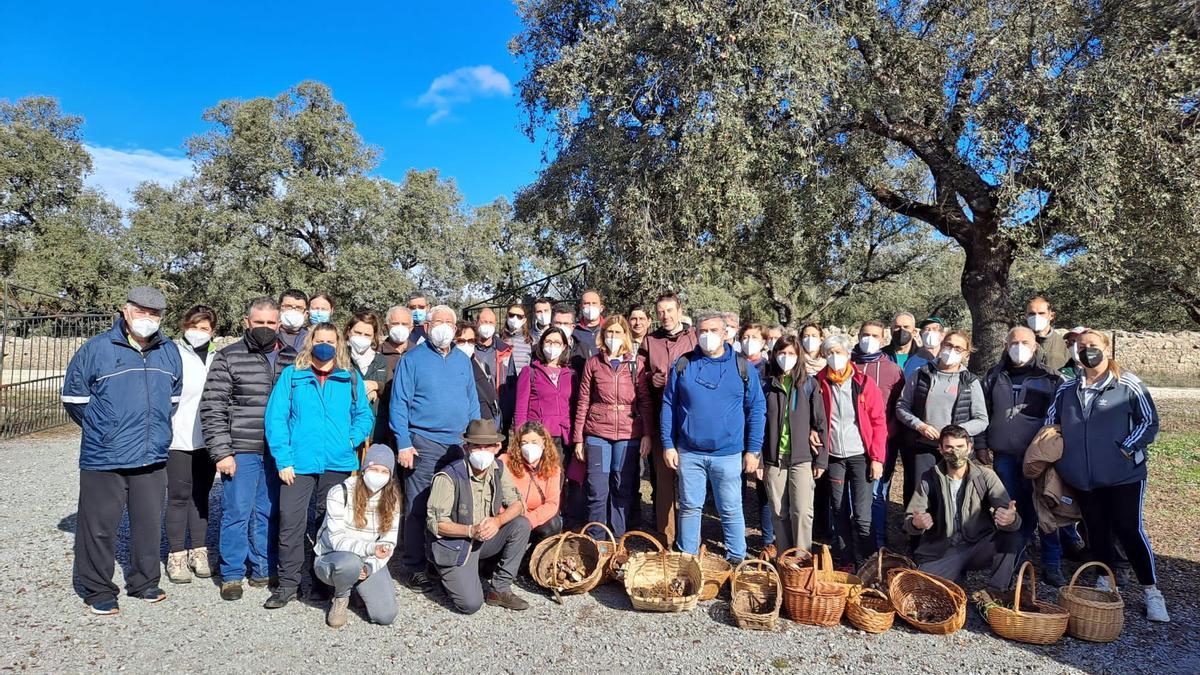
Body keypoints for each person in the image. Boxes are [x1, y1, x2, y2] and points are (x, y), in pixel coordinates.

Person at [62, 286, 183, 615]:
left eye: (154, 313)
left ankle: (144, 582)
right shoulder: (98, 349)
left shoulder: (169, 351)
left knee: (147, 524)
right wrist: (106, 430)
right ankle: (97, 588)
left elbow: (172, 398)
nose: (148, 318)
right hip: (105, 457)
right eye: (141, 311)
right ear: (125, 311)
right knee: (99, 527)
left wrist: (152, 429)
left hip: (153, 455)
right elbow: (74, 399)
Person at [1046, 329, 1169, 622]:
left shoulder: (1127, 384)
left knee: (1129, 530)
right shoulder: (1067, 389)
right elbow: (1051, 422)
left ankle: (1151, 591)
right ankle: (1104, 578)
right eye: (1080, 346)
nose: (1086, 350)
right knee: (1096, 530)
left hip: (1123, 475)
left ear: (1106, 348)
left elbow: (1149, 421)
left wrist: (1126, 448)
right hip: (1083, 478)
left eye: (1092, 345)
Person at [263, 322, 374, 609]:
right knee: (291, 522)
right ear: (310, 342)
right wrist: (283, 459)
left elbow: (364, 415)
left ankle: (320, 582)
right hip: (298, 464)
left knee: (328, 523)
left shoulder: (349, 377)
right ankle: (288, 583)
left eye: (330, 340)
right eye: (319, 339)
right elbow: (276, 419)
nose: (324, 345)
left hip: (337, 462)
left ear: (338, 344)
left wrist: (351, 439)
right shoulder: (293, 376)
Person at [201, 296, 297, 601]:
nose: (266, 328)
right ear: (247, 323)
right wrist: (222, 452)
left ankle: (261, 567)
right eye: (259, 323)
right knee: (236, 511)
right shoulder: (228, 357)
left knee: (267, 511)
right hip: (241, 448)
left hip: (277, 450)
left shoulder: (292, 357)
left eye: (271, 323)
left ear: (279, 324)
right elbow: (213, 406)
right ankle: (231, 573)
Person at [661, 311, 766, 564]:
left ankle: (736, 558)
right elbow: (668, 404)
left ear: (725, 334)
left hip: (728, 453)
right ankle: (688, 555)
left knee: (730, 509)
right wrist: (668, 444)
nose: (707, 336)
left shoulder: (743, 367)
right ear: (696, 333)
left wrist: (753, 450)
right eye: (703, 331)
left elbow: (757, 408)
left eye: (713, 331)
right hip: (690, 451)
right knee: (689, 506)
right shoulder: (683, 364)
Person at [389, 304, 481, 589]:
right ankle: (415, 565)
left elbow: (472, 402)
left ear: (455, 330)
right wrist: (403, 443)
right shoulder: (412, 359)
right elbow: (399, 404)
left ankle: (441, 561)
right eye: (437, 321)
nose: (443, 327)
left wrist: (475, 440)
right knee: (418, 506)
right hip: (423, 443)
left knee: (451, 507)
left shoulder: (462, 361)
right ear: (426, 327)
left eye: (449, 323)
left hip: (458, 445)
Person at [979, 326, 1069, 585]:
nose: (1019, 347)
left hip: (1039, 459)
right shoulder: (994, 376)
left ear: (1036, 346)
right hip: (1004, 455)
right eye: (1014, 342)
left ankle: (1052, 563)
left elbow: (1061, 419)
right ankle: (1013, 556)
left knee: (1045, 507)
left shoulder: (1051, 378)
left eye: (1025, 342)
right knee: (1010, 506)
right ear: (1006, 346)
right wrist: (982, 445)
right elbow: (983, 412)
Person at [896, 329, 989, 552]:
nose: (951, 351)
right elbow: (902, 406)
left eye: (958, 348)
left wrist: (955, 434)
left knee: (951, 496)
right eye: (948, 345)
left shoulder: (970, 381)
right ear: (941, 345)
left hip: (953, 451)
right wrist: (919, 425)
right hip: (922, 446)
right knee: (920, 495)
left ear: (966, 353)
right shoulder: (922, 373)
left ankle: (950, 544)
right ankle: (917, 544)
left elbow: (981, 419)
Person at [427, 419, 531, 613]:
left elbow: (517, 504)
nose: (482, 451)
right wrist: (471, 530)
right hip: (456, 544)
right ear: (466, 447)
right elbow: (435, 524)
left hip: (485, 539)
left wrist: (498, 521)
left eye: (488, 446)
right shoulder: (448, 476)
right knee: (470, 605)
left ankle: (499, 589)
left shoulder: (499, 469)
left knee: (521, 524)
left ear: (498, 447)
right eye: (476, 446)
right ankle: (442, 570)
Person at [904, 425, 1023, 590]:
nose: (955, 452)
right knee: (919, 590)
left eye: (960, 447)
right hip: (943, 549)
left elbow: (1011, 515)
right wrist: (916, 524)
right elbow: (910, 521)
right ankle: (956, 576)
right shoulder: (929, 478)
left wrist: (1011, 519)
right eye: (949, 447)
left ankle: (996, 593)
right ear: (940, 449)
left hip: (977, 545)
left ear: (969, 448)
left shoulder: (985, 476)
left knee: (1010, 539)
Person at [815, 334, 887, 568]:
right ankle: (846, 560)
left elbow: (878, 422)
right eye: (829, 354)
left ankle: (870, 560)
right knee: (839, 511)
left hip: (861, 456)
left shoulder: (864, 383)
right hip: (834, 457)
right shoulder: (819, 383)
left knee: (863, 515)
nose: (834, 358)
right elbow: (812, 416)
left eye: (838, 352)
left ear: (848, 354)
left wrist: (877, 458)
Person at [313, 444, 400, 628]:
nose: (378, 475)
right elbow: (337, 541)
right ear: (364, 469)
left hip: (368, 559)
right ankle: (341, 596)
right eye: (374, 468)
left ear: (390, 476)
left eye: (384, 471)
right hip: (335, 557)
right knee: (349, 563)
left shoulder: (392, 500)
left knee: (385, 616)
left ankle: (357, 588)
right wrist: (370, 549)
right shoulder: (340, 492)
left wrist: (369, 567)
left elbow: (388, 543)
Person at [573, 315, 643, 538]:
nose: (613, 337)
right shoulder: (593, 363)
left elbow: (646, 402)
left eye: (617, 332)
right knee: (597, 489)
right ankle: (596, 538)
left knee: (622, 486)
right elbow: (583, 400)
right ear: (603, 335)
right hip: (597, 434)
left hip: (627, 433)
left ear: (625, 335)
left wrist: (648, 434)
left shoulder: (636, 363)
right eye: (609, 332)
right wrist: (578, 438)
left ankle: (618, 537)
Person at [636, 291, 697, 546]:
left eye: (669, 310)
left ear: (679, 310)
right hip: (663, 417)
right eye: (661, 311)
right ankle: (666, 538)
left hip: (692, 419)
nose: (665, 316)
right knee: (663, 480)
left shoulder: (694, 338)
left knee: (690, 481)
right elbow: (639, 378)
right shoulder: (650, 342)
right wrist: (652, 379)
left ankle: (690, 538)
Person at [165, 304, 219, 584]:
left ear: (212, 332)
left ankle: (199, 550)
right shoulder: (171, 354)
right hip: (177, 438)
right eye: (193, 326)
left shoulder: (216, 358)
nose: (198, 332)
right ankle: (176, 554)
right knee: (177, 496)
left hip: (207, 440)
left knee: (201, 497)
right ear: (183, 326)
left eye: (204, 328)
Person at [761, 336, 825, 555]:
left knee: (802, 511)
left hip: (802, 457)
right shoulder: (767, 384)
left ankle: (802, 558)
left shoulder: (808, 383)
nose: (785, 358)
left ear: (798, 356)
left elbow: (820, 422)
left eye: (790, 354)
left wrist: (822, 458)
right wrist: (759, 459)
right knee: (779, 511)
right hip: (774, 457)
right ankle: (784, 557)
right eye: (781, 353)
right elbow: (759, 422)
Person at [852, 320, 906, 550]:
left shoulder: (892, 370)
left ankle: (878, 541)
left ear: (883, 340)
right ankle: (853, 539)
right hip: (851, 442)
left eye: (875, 336)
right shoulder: (847, 365)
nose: (869, 339)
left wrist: (886, 435)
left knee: (877, 492)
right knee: (851, 493)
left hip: (882, 443)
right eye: (865, 334)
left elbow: (899, 406)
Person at [514, 326, 576, 466]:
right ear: (541, 345)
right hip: (537, 436)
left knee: (558, 481)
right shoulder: (529, 372)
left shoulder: (571, 375)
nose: (552, 346)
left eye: (556, 343)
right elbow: (521, 408)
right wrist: (521, 437)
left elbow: (574, 406)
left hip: (563, 438)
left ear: (564, 346)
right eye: (548, 342)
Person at [737, 322, 772, 551]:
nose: (750, 341)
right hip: (736, 435)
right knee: (735, 488)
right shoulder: (734, 364)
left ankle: (769, 540)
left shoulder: (769, 370)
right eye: (746, 336)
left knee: (764, 489)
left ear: (764, 342)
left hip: (762, 434)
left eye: (755, 337)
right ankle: (737, 535)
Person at [502, 421, 563, 542]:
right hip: (509, 517)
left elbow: (552, 504)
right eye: (524, 443)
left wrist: (528, 521)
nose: (529, 447)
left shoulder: (553, 469)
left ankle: (532, 556)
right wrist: (507, 517)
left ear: (544, 443)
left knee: (554, 524)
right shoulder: (505, 462)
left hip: (534, 519)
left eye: (534, 442)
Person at [374, 305, 414, 446]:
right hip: (381, 426)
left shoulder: (419, 353)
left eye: (404, 324)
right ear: (386, 326)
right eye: (395, 324)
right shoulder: (376, 354)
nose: (400, 327)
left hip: (412, 428)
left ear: (411, 327)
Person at [456, 322, 502, 428]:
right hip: (465, 433)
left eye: (471, 341)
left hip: (487, 431)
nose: (467, 345)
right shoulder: (450, 371)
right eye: (461, 341)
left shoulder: (482, 366)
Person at [346, 312, 390, 418]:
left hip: (374, 426)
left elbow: (390, 389)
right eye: (357, 332)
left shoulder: (380, 361)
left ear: (373, 337)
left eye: (367, 335)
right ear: (348, 331)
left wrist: (377, 386)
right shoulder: (338, 358)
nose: (362, 337)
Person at [1026, 297, 1071, 372]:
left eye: (1041, 313)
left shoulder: (1065, 342)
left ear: (1051, 316)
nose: (1036, 317)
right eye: (1032, 314)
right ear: (1026, 316)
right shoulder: (1018, 341)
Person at [474, 307, 512, 391]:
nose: (487, 325)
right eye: (484, 322)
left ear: (495, 324)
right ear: (476, 323)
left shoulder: (505, 351)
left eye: (491, 322)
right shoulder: (468, 348)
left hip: (497, 401)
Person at [884, 312, 929, 377]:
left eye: (906, 327)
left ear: (914, 332)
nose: (901, 330)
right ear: (891, 331)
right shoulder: (882, 355)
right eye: (897, 327)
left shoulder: (925, 357)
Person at [573, 290, 605, 359]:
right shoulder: (573, 329)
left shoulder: (608, 328)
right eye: (586, 303)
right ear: (581, 307)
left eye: (594, 303)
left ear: (601, 308)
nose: (590, 306)